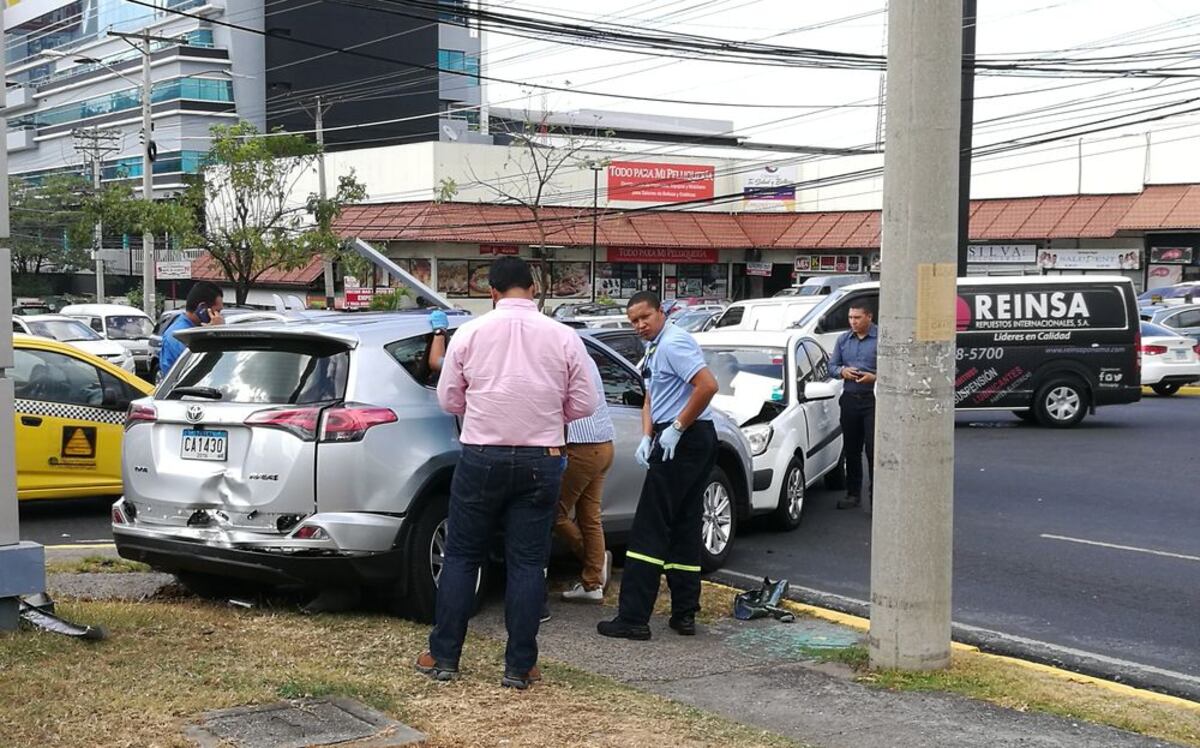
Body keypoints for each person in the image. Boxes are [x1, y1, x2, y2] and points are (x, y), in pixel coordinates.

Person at [416, 257, 598, 690]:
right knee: (528, 563)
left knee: (462, 556)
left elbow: (449, 400)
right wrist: (550, 415)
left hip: (482, 454)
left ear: (492, 292)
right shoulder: (564, 337)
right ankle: (520, 665)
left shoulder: (470, 334)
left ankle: (443, 656)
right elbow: (585, 404)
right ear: (532, 288)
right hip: (543, 457)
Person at [597, 290, 719, 641]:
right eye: (633, 321)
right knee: (683, 524)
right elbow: (652, 394)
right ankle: (684, 613)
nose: (639, 325)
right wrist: (648, 435)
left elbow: (707, 386)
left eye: (644, 318)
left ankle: (633, 617)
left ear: (660, 312)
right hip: (677, 436)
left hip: (686, 437)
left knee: (650, 527)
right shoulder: (655, 347)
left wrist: (678, 427)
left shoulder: (673, 344)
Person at [555, 355, 615, 603]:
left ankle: (596, 565)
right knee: (590, 516)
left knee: (554, 513)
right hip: (604, 443)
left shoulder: (560, 361)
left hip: (581, 446)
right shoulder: (584, 356)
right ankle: (592, 584)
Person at [828, 302, 878, 510]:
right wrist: (842, 372)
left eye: (857, 318)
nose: (853, 322)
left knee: (873, 450)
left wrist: (874, 377)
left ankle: (876, 496)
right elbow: (831, 366)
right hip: (850, 398)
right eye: (850, 318)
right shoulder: (843, 340)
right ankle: (853, 493)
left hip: (873, 399)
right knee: (851, 449)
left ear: (869, 317)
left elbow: (894, 369)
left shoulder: (881, 338)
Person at [159, 282, 224, 380]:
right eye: (217, 311)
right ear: (202, 308)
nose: (219, 317)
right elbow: (198, 369)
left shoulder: (195, 330)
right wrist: (215, 333)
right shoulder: (180, 335)